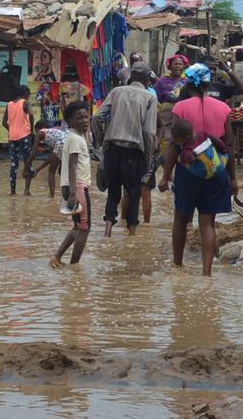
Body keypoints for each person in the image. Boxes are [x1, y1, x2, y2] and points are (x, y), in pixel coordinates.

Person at [160, 64, 236, 277]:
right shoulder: (223, 108)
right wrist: (234, 179)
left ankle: (177, 266)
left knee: (181, 219)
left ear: (188, 83)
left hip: (188, 171)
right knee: (207, 222)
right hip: (216, 171)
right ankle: (207, 273)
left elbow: (175, 144)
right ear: (207, 83)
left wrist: (165, 177)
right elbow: (229, 144)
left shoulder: (180, 108)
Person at [95, 62, 158, 236]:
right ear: (146, 79)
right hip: (134, 152)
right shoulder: (150, 98)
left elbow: (97, 117)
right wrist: (147, 158)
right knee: (134, 193)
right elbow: (149, 132)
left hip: (112, 149)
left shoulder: (116, 92)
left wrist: (102, 143)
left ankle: (107, 233)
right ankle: (132, 236)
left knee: (112, 193)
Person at [51, 101, 92, 268]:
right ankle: (74, 266)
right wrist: (74, 192)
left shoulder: (74, 136)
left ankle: (57, 257)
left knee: (78, 226)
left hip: (71, 185)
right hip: (78, 187)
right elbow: (72, 164)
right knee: (84, 228)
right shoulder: (75, 138)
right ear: (70, 121)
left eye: (85, 116)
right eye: (79, 118)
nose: (84, 120)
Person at [3, 85, 35, 195]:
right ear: (26, 94)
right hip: (25, 135)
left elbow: (4, 122)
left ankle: (13, 191)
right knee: (28, 162)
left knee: (13, 164)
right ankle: (26, 190)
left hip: (12, 137)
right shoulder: (26, 103)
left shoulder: (9, 104)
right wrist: (32, 129)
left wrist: (11, 129)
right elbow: (31, 114)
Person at [26, 126, 66, 198]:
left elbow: (33, 153)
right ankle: (69, 193)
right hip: (68, 141)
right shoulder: (53, 135)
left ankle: (52, 197)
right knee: (62, 172)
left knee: (51, 171)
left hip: (61, 142)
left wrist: (26, 168)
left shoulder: (40, 132)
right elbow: (51, 159)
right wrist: (38, 169)